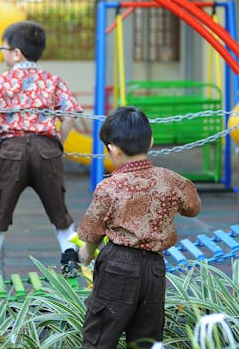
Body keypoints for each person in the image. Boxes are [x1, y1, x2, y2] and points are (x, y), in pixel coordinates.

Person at [77, 106, 202, 348]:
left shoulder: (109, 187)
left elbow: (92, 229)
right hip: (154, 268)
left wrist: (87, 252)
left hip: (118, 266)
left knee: (100, 334)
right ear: (151, 141)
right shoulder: (171, 180)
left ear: (112, 148)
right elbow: (193, 207)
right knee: (147, 338)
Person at [0, 21, 83, 285]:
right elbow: (68, 114)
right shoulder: (53, 80)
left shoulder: (0, 81)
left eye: (3, 48)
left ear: (16, 54)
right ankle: (70, 259)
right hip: (46, 149)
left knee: (0, 210)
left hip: (11, 149)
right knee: (58, 209)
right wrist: (59, 139)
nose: (2, 53)